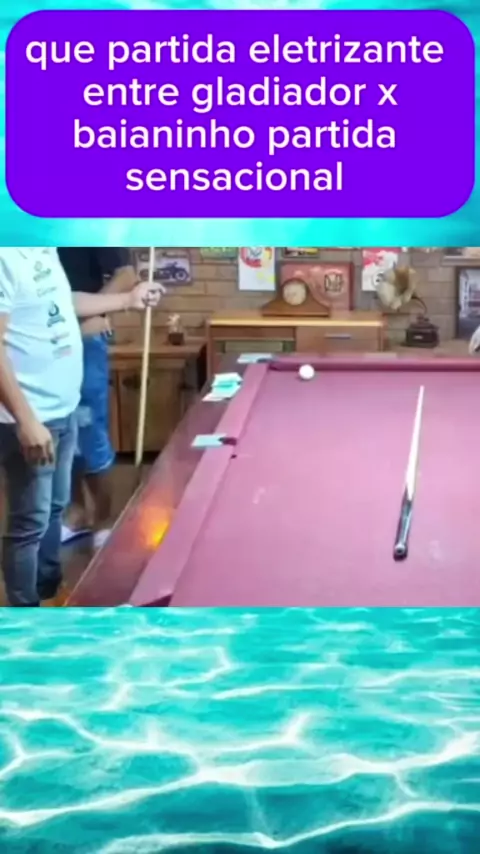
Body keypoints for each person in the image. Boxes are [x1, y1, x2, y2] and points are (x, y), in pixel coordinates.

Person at [0, 247, 163, 607]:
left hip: (62, 406)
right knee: (29, 522)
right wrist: (26, 421)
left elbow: (64, 300)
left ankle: (48, 589)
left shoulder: (44, 251)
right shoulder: (5, 256)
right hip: (32, 415)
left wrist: (127, 299)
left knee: (54, 508)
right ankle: (25, 614)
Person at [57, 248, 137, 548]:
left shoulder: (86, 224)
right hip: (44, 340)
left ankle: (104, 520)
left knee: (88, 427)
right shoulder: (33, 234)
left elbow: (126, 275)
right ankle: (76, 513)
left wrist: (90, 314)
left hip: (84, 335)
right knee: (61, 428)